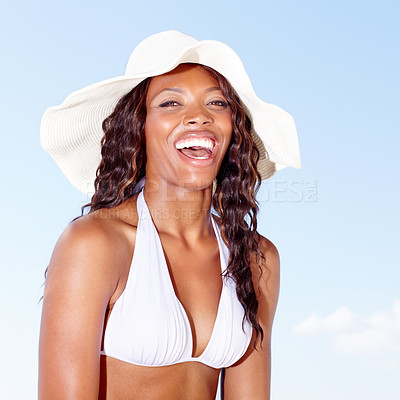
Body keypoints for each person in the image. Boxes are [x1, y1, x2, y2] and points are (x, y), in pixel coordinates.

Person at [39, 30, 301, 400]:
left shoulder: (256, 259)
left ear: (234, 129)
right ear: (138, 127)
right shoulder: (96, 244)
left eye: (218, 103)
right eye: (170, 104)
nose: (199, 118)